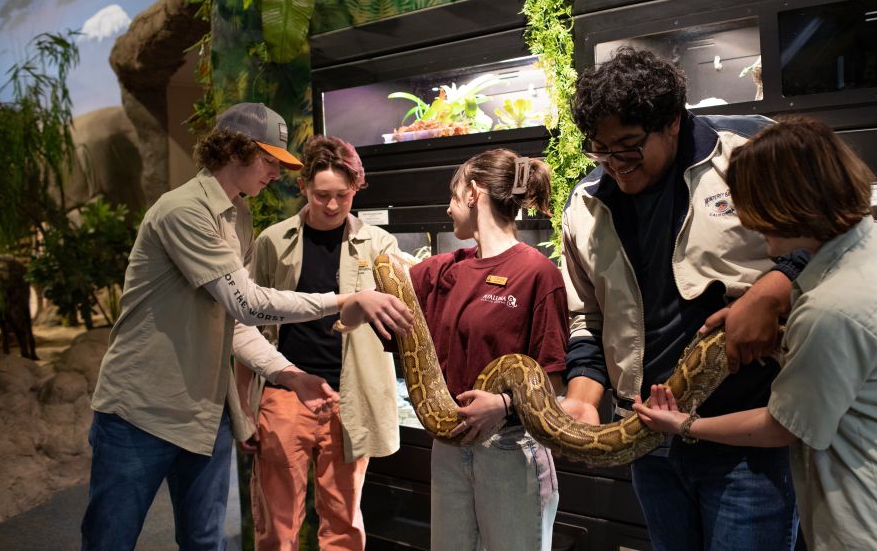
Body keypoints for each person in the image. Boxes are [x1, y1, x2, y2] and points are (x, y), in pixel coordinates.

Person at [633, 116, 877, 551]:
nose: (746, 222)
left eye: (750, 206)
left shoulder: (834, 307)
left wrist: (683, 423)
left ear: (784, 205)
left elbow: (780, 427)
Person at [81, 103, 413, 550]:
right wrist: (345, 300)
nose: (275, 172)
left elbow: (232, 322)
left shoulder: (237, 216)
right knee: (111, 539)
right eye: (270, 159)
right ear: (237, 150)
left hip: (205, 411)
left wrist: (289, 376)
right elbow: (249, 304)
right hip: (143, 409)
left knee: (205, 540)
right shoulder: (183, 210)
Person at [559, 47, 800, 550]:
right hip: (649, 442)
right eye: (599, 150)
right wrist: (583, 401)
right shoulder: (585, 203)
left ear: (671, 122)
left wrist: (772, 291)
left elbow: (833, 235)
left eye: (627, 145)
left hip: (750, 438)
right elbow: (586, 316)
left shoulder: (748, 148)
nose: (614, 164)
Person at [238, 135, 401, 549]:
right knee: (277, 523)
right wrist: (243, 406)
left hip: (351, 396)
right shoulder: (273, 242)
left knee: (344, 519)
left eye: (342, 196)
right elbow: (244, 325)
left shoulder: (379, 244)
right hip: (285, 392)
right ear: (304, 188)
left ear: (356, 189)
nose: (331, 205)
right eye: (321, 195)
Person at [408, 148, 567, 551]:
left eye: (453, 195)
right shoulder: (448, 268)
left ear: (474, 194)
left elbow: (553, 381)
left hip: (510, 449)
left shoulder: (537, 273)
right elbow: (385, 281)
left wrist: (504, 405)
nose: (448, 209)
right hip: (448, 448)